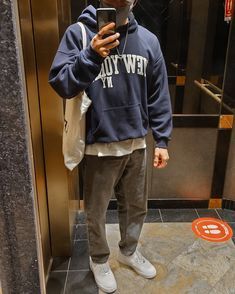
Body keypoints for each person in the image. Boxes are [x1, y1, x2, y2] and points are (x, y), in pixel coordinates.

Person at [49, 0, 173, 292]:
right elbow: (61, 83)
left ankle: (129, 252)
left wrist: (162, 140)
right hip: (98, 145)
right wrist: (91, 54)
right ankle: (99, 259)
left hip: (138, 144)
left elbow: (158, 93)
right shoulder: (78, 33)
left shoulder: (148, 41)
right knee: (96, 210)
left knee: (136, 207)